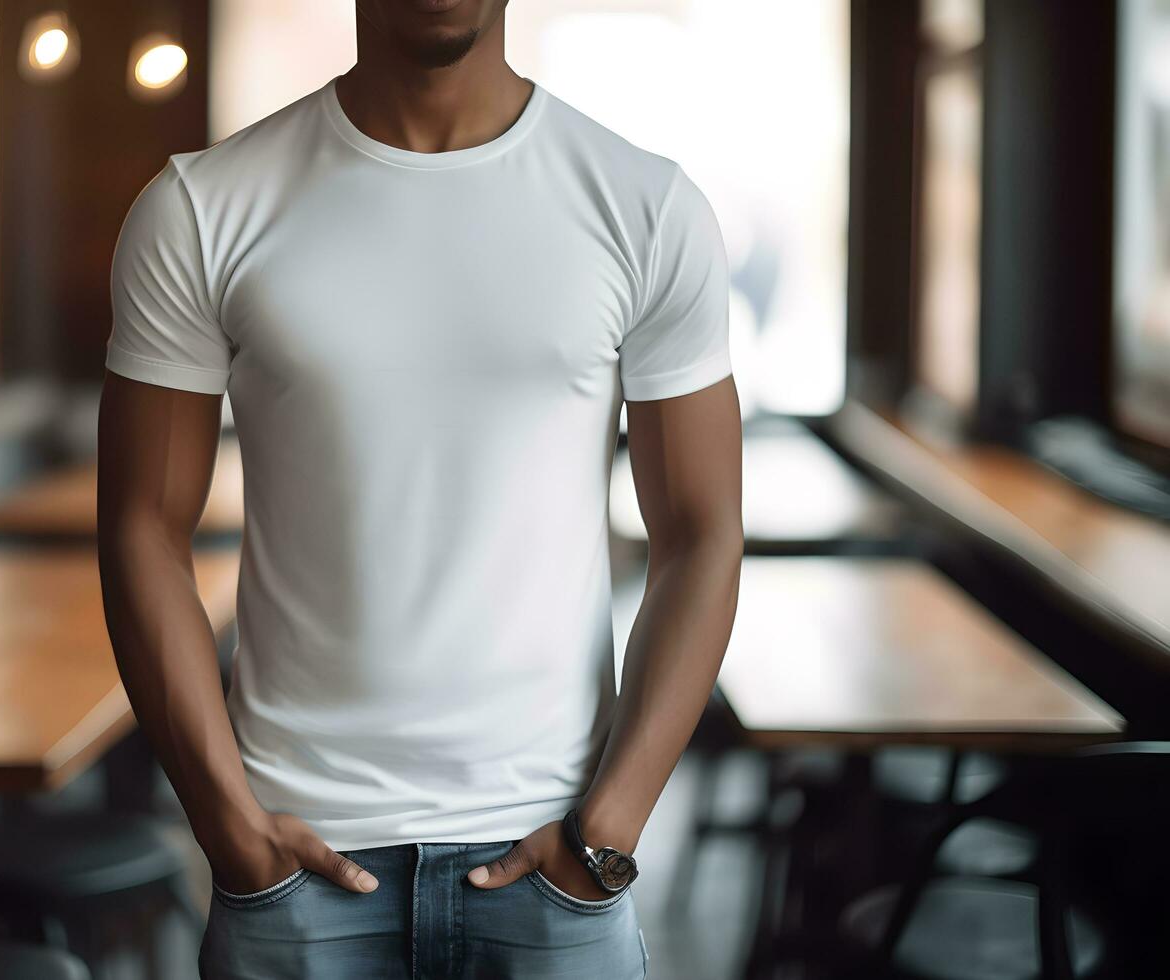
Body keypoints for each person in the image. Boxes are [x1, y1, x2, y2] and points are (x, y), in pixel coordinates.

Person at [96, 1, 743, 976]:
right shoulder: (203, 204)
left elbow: (702, 531)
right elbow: (141, 527)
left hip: (553, 873)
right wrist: (230, 826)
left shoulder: (644, 205)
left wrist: (606, 831)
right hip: (298, 877)